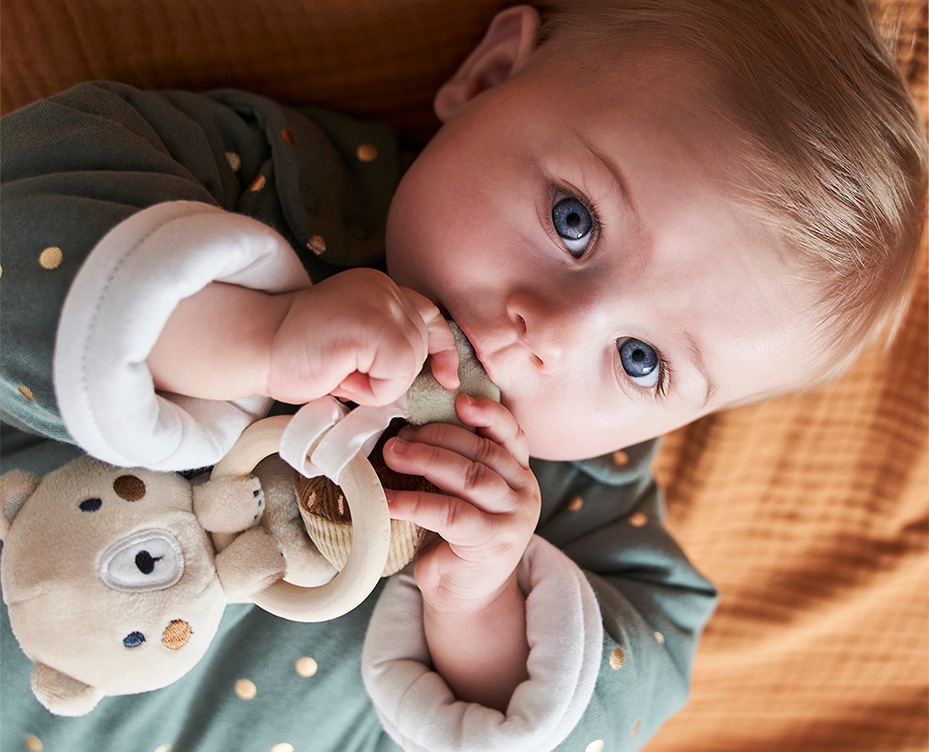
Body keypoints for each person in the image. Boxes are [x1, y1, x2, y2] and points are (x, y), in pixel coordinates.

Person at [0, 1, 924, 750]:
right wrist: (256, 333)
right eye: (573, 221)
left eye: (640, 362)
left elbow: (632, 683)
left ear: (664, 424)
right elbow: (29, 206)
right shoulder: (274, 181)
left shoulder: (569, 508)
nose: (546, 334)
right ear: (486, 79)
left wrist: (479, 602)